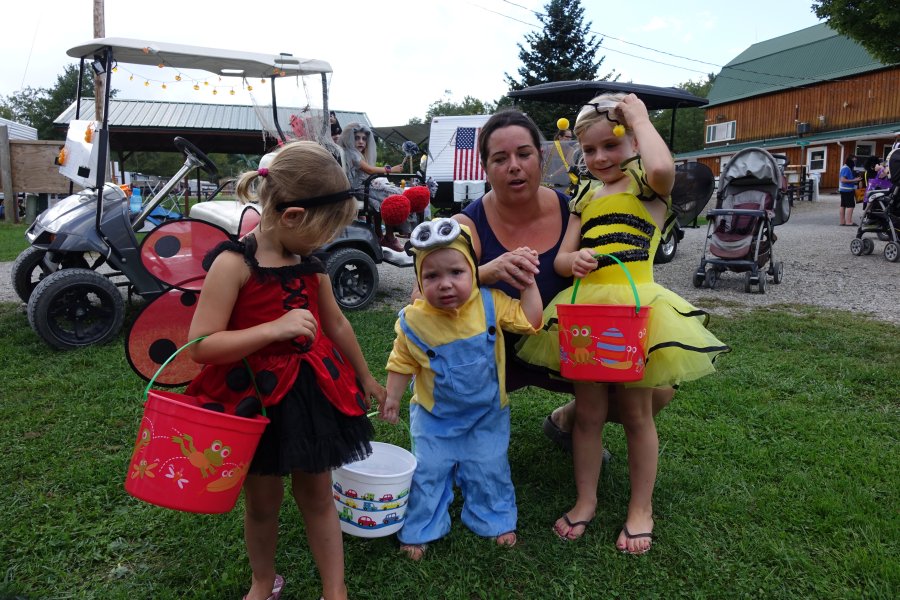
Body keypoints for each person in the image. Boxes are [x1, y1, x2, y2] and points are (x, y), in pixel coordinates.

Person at [516, 94, 729, 554]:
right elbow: (565, 255)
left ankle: (640, 508)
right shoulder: (585, 194)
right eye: (589, 151)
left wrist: (637, 117)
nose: (599, 158)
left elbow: (662, 169)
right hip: (586, 311)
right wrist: (576, 260)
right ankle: (586, 500)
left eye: (610, 145)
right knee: (588, 413)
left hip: (634, 306)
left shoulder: (647, 183)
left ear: (634, 140)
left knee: (635, 413)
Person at [185, 141, 386, 600]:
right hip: (255, 399)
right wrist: (273, 329)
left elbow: (335, 322)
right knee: (262, 503)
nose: (326, 245)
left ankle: (335, 589)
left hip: (311, 397)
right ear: (292, 217)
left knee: (318, 495)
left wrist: (365, 375)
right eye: (323, 235)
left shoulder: (310, 264)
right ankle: (262, 582)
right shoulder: (234, 265)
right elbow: (202, 346)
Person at [454, 110, 675, 455]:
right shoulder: (468, 223)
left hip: (564, 350)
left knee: (660, 391)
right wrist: (486, 271)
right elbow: (421, 296)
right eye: (500, 158)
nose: (514, 165)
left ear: (540, 159)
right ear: (484, 167)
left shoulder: (573, 208)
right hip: (490, 355)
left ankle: (571, 418)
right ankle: (458, 438)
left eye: (523, 154)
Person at [380, 218, 543, 560]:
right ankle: (422, 527)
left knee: (489, 466)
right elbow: (401, 362)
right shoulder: (414, 320)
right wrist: (392, 397)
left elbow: (531, 321)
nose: (445, 284)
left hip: (486, 415)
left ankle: (493, 518)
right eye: (432, 276)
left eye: (456, 272)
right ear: (419, 282)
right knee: (428, 471)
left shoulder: (490, 302)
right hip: (434, 420)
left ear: (473, 269)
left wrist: (528, 283)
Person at [338, 123, 408, 251]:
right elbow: (369, 170)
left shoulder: (356, 153)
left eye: (364, 139)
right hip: (359, 189)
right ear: (350, 139)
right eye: (357, 138)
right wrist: (390, 169)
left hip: (363, 187)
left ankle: (379, 234)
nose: (361, 142)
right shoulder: (352, 154)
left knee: (383, 194)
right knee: (389, 198)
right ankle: (389, 237)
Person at [838, 155, 861, 226]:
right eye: (854, 161)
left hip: (843, 189)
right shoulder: (846, 168)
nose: (855, 162)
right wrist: (855, 180)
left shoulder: (845, 167)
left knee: (843, 205)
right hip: (847, 190)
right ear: (850, 160)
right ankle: (848, 221)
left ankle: (842, 221)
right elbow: (843, 180)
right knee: (850, 205)